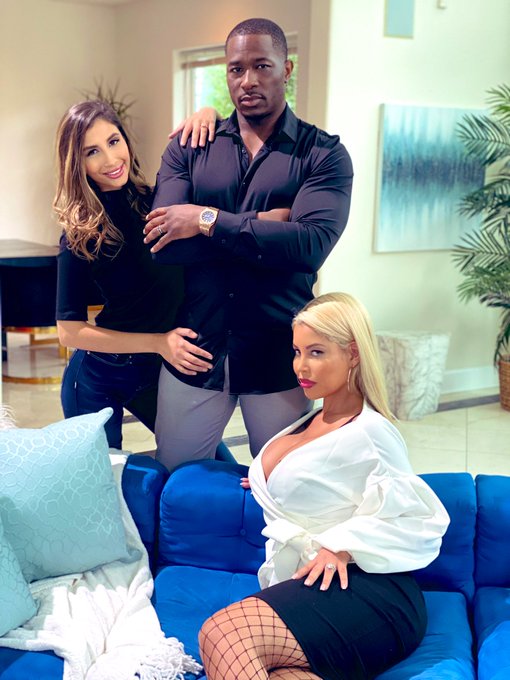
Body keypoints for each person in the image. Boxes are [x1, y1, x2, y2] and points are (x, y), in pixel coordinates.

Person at [198, 292, 451, 680]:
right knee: (280, 674)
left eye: (316, 352)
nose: (301, 366)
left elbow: (418, 519)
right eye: (297, 351)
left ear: (353, 354)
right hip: (315, 585)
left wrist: (341, 545)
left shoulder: (371, 432)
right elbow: (318, 479)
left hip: (370, 591)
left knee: (223, 634)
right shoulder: (312, 417)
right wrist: (268, 482)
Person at [143, 18, 354, 471]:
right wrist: (264, 225)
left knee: (284, 484)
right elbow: (163, 244)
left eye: (262, 65)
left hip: (279, 355)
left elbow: (309, 246)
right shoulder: (189, 147)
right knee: (175, 482)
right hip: (196, 352)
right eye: (236, 68)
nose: (248, 80)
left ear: (287, 69)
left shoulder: (323, 154)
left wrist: (203, 220)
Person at [53, 99, 219, 449]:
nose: (111, 160)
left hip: (158, 371)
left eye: (114, 142)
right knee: (104, 475)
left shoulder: (159, 202)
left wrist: (211, 114)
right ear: (77, 164)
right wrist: (158, 342)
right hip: (98, 376)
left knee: (210, 461)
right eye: (92, 152)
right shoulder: (80, 233)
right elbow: (69, 332)